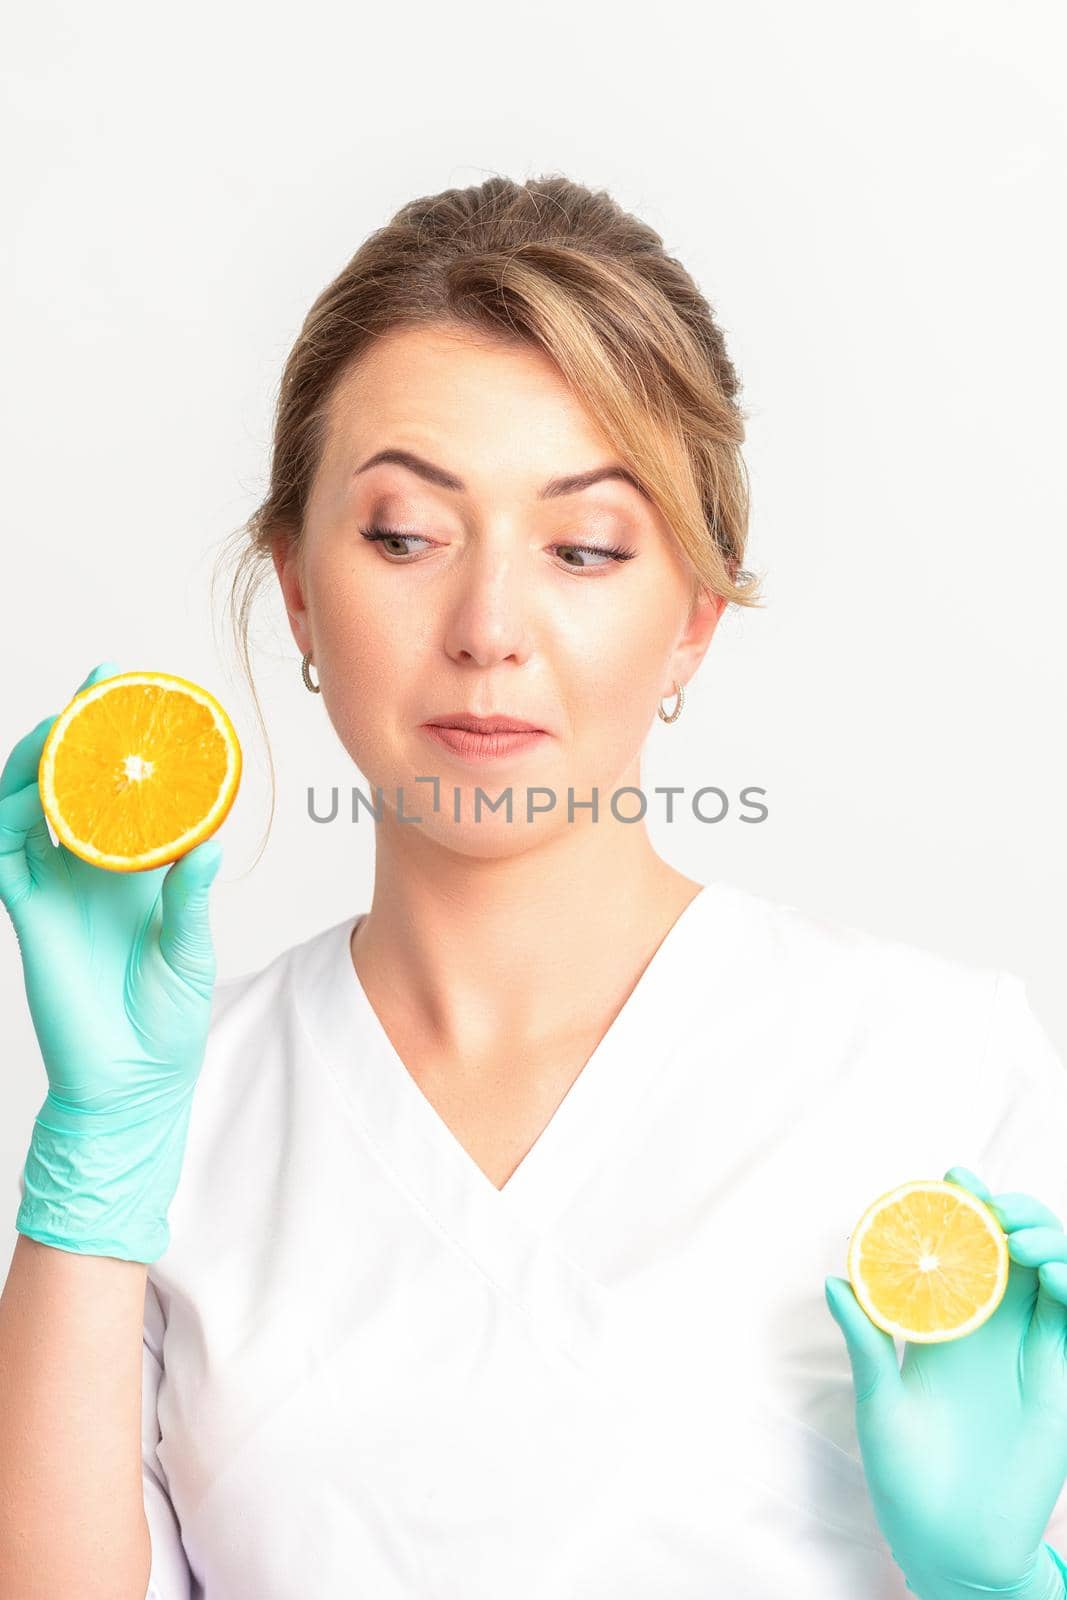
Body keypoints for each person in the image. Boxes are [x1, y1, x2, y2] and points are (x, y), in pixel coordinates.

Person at [2, 173, 1067, 1600]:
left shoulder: (939, 1071)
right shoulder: (168, 1122)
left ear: (694, 615)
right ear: (300, 590)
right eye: (403, 535)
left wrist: (1008, 1584)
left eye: (583, 547)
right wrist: (88, 1185)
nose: (490, 628)